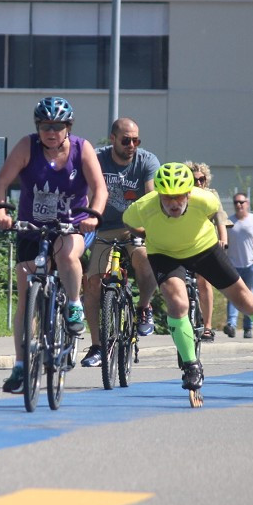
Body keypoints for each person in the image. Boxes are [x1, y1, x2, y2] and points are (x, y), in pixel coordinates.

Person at [123, 162, 253, 398]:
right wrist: (146, 234)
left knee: (245, 300)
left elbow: (217, 216)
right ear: (159, 195)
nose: (174, 203)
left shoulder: (205, 200)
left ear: (189, 193)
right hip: (164, 254)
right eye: (167, 198)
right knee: (178, 304)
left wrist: (221, 238)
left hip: (203, 248)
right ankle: (191, 365)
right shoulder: (143, 206)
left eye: (179, 197)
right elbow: (128, 222)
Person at [0, 96, 107, 393]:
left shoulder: (82, 148)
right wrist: (2, 210)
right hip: (32, 228)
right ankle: (19, 367)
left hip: (73, 224)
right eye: (45, 126)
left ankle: (73, 305)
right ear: (38, 128)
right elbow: (1, 182)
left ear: (67, 127)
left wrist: (94, 216)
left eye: (57, 126)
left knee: (68, 254)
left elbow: (99, 188)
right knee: (25, 292)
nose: (50, 132)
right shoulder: (27, 146)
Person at [80, 118, 160, 368]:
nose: (132, 145)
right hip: (104, 228)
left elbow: (150, 197)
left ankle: (144, 307)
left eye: (136, 140)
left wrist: (148, 230)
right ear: (113, 138)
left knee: (146, 258)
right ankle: (96, 345)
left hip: (134, 227)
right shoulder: (97, 158)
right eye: (126, 140)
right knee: (93, 281)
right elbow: (85, 191)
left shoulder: (146, 161)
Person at [185, 162, 228, 342]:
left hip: (205, 241)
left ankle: (208, 326)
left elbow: (220, 220)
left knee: (204, 281)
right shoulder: (182, 195)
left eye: (202, 179)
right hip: (185, 241)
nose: (199, 183)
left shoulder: (211, 196)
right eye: (195, 180)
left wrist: (223, 240)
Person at [223, 191, 253, 339]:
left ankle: (248, 327)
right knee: (232, 295)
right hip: (233, 265)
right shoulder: (229, 221)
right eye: (236, 203)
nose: (239, 205)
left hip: (250, 265)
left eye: (242, 202)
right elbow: (224, 242)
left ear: (247, 203)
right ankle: (231, 325)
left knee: (249, 296)